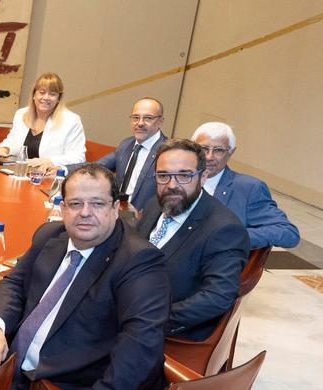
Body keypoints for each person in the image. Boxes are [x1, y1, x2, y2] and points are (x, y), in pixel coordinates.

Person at [0, 164, 170, 390]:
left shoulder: (139, 261)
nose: (85, 213)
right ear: (63, 206)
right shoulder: (51, 235)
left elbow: (141, 340)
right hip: (14, 356)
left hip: (66, 379)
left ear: (114, 208)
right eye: (75, 203)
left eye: (97, 203)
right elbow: (14, 283)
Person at [133, 139, 248, 341]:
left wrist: (149, 319)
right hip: (132, 307)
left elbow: (217, 296)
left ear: (203, 177)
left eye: (184, 175)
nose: (172, 185)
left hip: (168, 332)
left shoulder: (224, 229)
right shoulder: (155, 205)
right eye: (163, 176)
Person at [191, 122, 301, 249]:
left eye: (218, 150)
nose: (209, 157)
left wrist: (231, 236)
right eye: (204, 149)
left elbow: (288, 232)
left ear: (231, 152)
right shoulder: (173, 179)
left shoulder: (248, 189)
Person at [0, 72, 86, 173]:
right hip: (18, 172)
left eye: (52, 94)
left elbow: (79, 157)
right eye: (42, 92)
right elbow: (12, 140)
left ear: (58, 99)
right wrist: (4, 149)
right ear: (34, 95)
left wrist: (49, 161)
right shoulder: (21, 114)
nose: (46, 97)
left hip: (47, 176)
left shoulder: (71, 120)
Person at [90, 97, 166, 210]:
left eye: (148, 118)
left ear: (160, 122)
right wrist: (63, 170)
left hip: (143, 220)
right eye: (136, 117)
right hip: (117, 212)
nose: (140, 123)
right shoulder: (126, 144)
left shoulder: (167, 152)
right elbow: (95, 167)